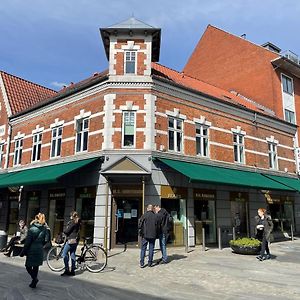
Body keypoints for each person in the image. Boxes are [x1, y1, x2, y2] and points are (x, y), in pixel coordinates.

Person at [20, 213, 49, 288]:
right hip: (39, 249)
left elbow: (27, 242)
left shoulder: (32, 229)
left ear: (36, 219)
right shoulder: (45, 228)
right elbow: (46, 239)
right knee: (36, 266)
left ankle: (34, 279)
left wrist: (23, 252)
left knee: (28, 266)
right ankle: (33, 283)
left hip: (31, 249)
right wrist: (40, 244)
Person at [61, 211, 81, 276]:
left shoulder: (73, 222)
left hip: (71, 240)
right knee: (72, 254)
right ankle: (72, 270)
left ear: (72, 216)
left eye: (70, 216)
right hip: (76, 240)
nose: (70, 217)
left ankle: (67, 269)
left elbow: (67, 231)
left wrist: (64, 230)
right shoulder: (78, 222)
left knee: (64, 254)